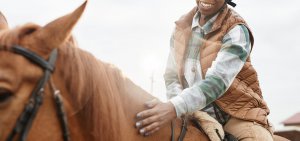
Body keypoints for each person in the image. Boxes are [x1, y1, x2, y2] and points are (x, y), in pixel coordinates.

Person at [135, 0, 274, 140]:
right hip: (194, 112)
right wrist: (177, 106)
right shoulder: (180, 28)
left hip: (237, 114)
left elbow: (216, 83)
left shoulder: (236, 29)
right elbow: (172, 76)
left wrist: (173, 107)